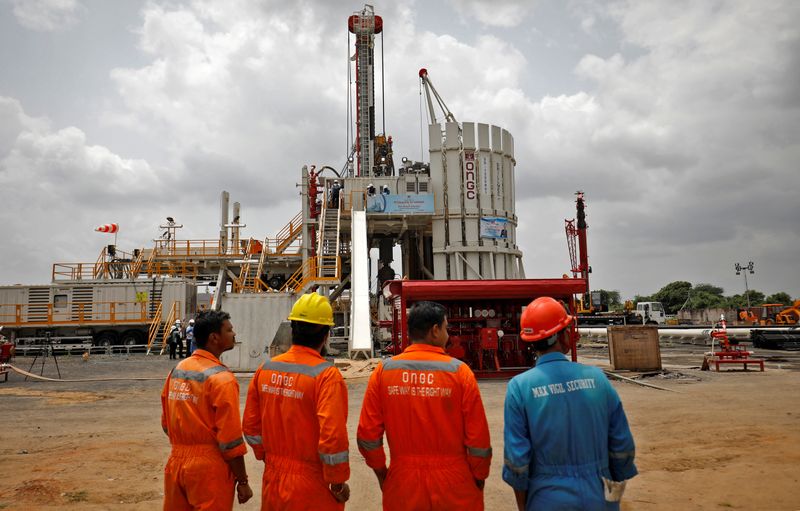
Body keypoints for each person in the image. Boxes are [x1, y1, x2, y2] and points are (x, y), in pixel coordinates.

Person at [502, 297, 637, 511]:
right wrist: (611, 495)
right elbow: (622, 445)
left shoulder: (520, 388)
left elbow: (517, 462)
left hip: (546, 498)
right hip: (599, 495)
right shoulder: (597, 378)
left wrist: (525, 506)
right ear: (562, 335)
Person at [357, 301, 492, 511]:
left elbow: (367, 436)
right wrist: (479, 475)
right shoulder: (460, 373)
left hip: (402, 483)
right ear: (435, 330)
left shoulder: (384, 372)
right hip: (454, 484)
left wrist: (383, 473)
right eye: (446, 328)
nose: (448, 335)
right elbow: (478, 439)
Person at [243, 293, 350, 510]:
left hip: (273, 478)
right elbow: (332, 438)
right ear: (326, 334)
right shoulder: (326, 376)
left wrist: (268, 457)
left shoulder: (266, 369)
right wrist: (337, 483)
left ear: (292, 329)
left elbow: (251, 428)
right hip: (311, 485)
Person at [161, 309, 253, 510]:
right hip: (208, 469)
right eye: (229, 330)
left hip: (176, 464)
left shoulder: (177, 371)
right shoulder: (221, 379)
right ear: (214, 338)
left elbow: (166, 424)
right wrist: (243, 481)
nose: (234, 334)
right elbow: (230, 440)